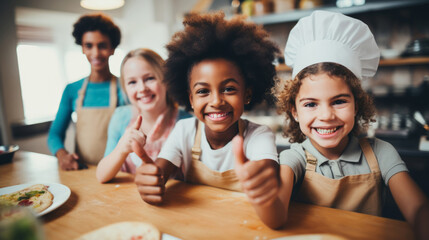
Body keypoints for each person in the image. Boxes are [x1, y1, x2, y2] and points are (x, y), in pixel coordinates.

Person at [275, 10, 429, 238]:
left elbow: (418, 209)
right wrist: (263, 191)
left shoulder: (381, 154)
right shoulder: (294, 158)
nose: (326, 115)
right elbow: (276, 206)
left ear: (357, 105)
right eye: (310, 104)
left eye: (338, 101)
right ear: (294, 112)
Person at [132, 12, 286, 228]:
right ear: (191, 99)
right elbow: (160, 172)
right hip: (194, 226)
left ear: (247, 94)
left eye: (229, 89)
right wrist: (151, 181)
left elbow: (267, 170)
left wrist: (264, 179)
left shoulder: (258, 136)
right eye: (203, 91)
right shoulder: (184, 130)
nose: (216, 101)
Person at [96, 48, 192, 183]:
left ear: (166, 80)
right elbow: (101, 176)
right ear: (125, 88)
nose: (142, 89)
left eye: (150, 78)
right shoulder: (120, 117)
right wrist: (121, 149)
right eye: (132, 82)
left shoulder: (187, 122)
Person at [47, 13, 126, 170]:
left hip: (120, 172)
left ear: (112, 49)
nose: (95, 53)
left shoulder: (125, 87)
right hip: (83, 170)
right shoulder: (72, 90)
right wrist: (62, 155)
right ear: (82, 48)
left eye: (102, 45)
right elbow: (54, 134)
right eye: (89, 46)